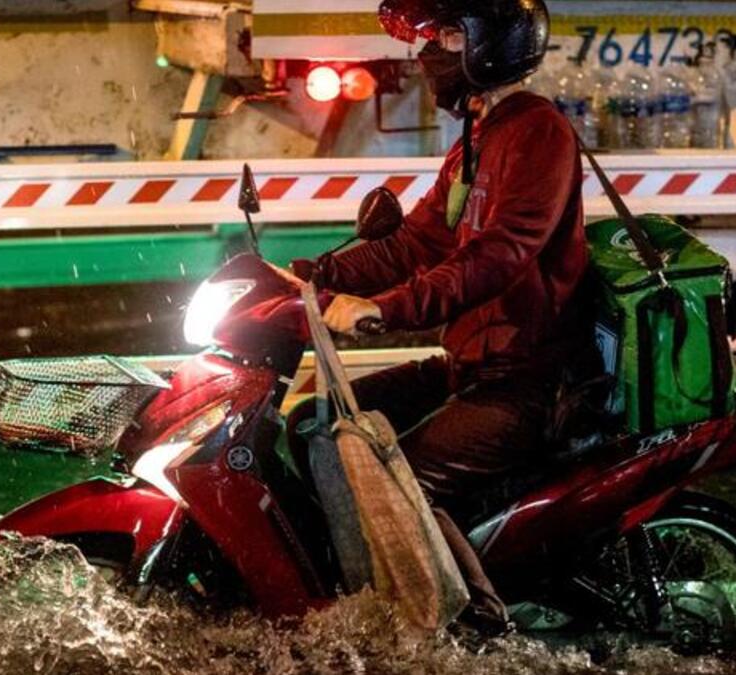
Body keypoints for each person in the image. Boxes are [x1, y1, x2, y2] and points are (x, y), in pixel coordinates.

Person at [293, 0, 593, 632]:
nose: (431, 52)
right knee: (311, 421)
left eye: (449, 35)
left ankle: (479, 627)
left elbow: (500, 255)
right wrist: (322, 273)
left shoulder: (538, 133)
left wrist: (386, 309)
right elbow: (420, 241)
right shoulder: (477, 141)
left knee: (405, 480)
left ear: (491, 44)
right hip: (469, 366)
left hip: (526, 381)